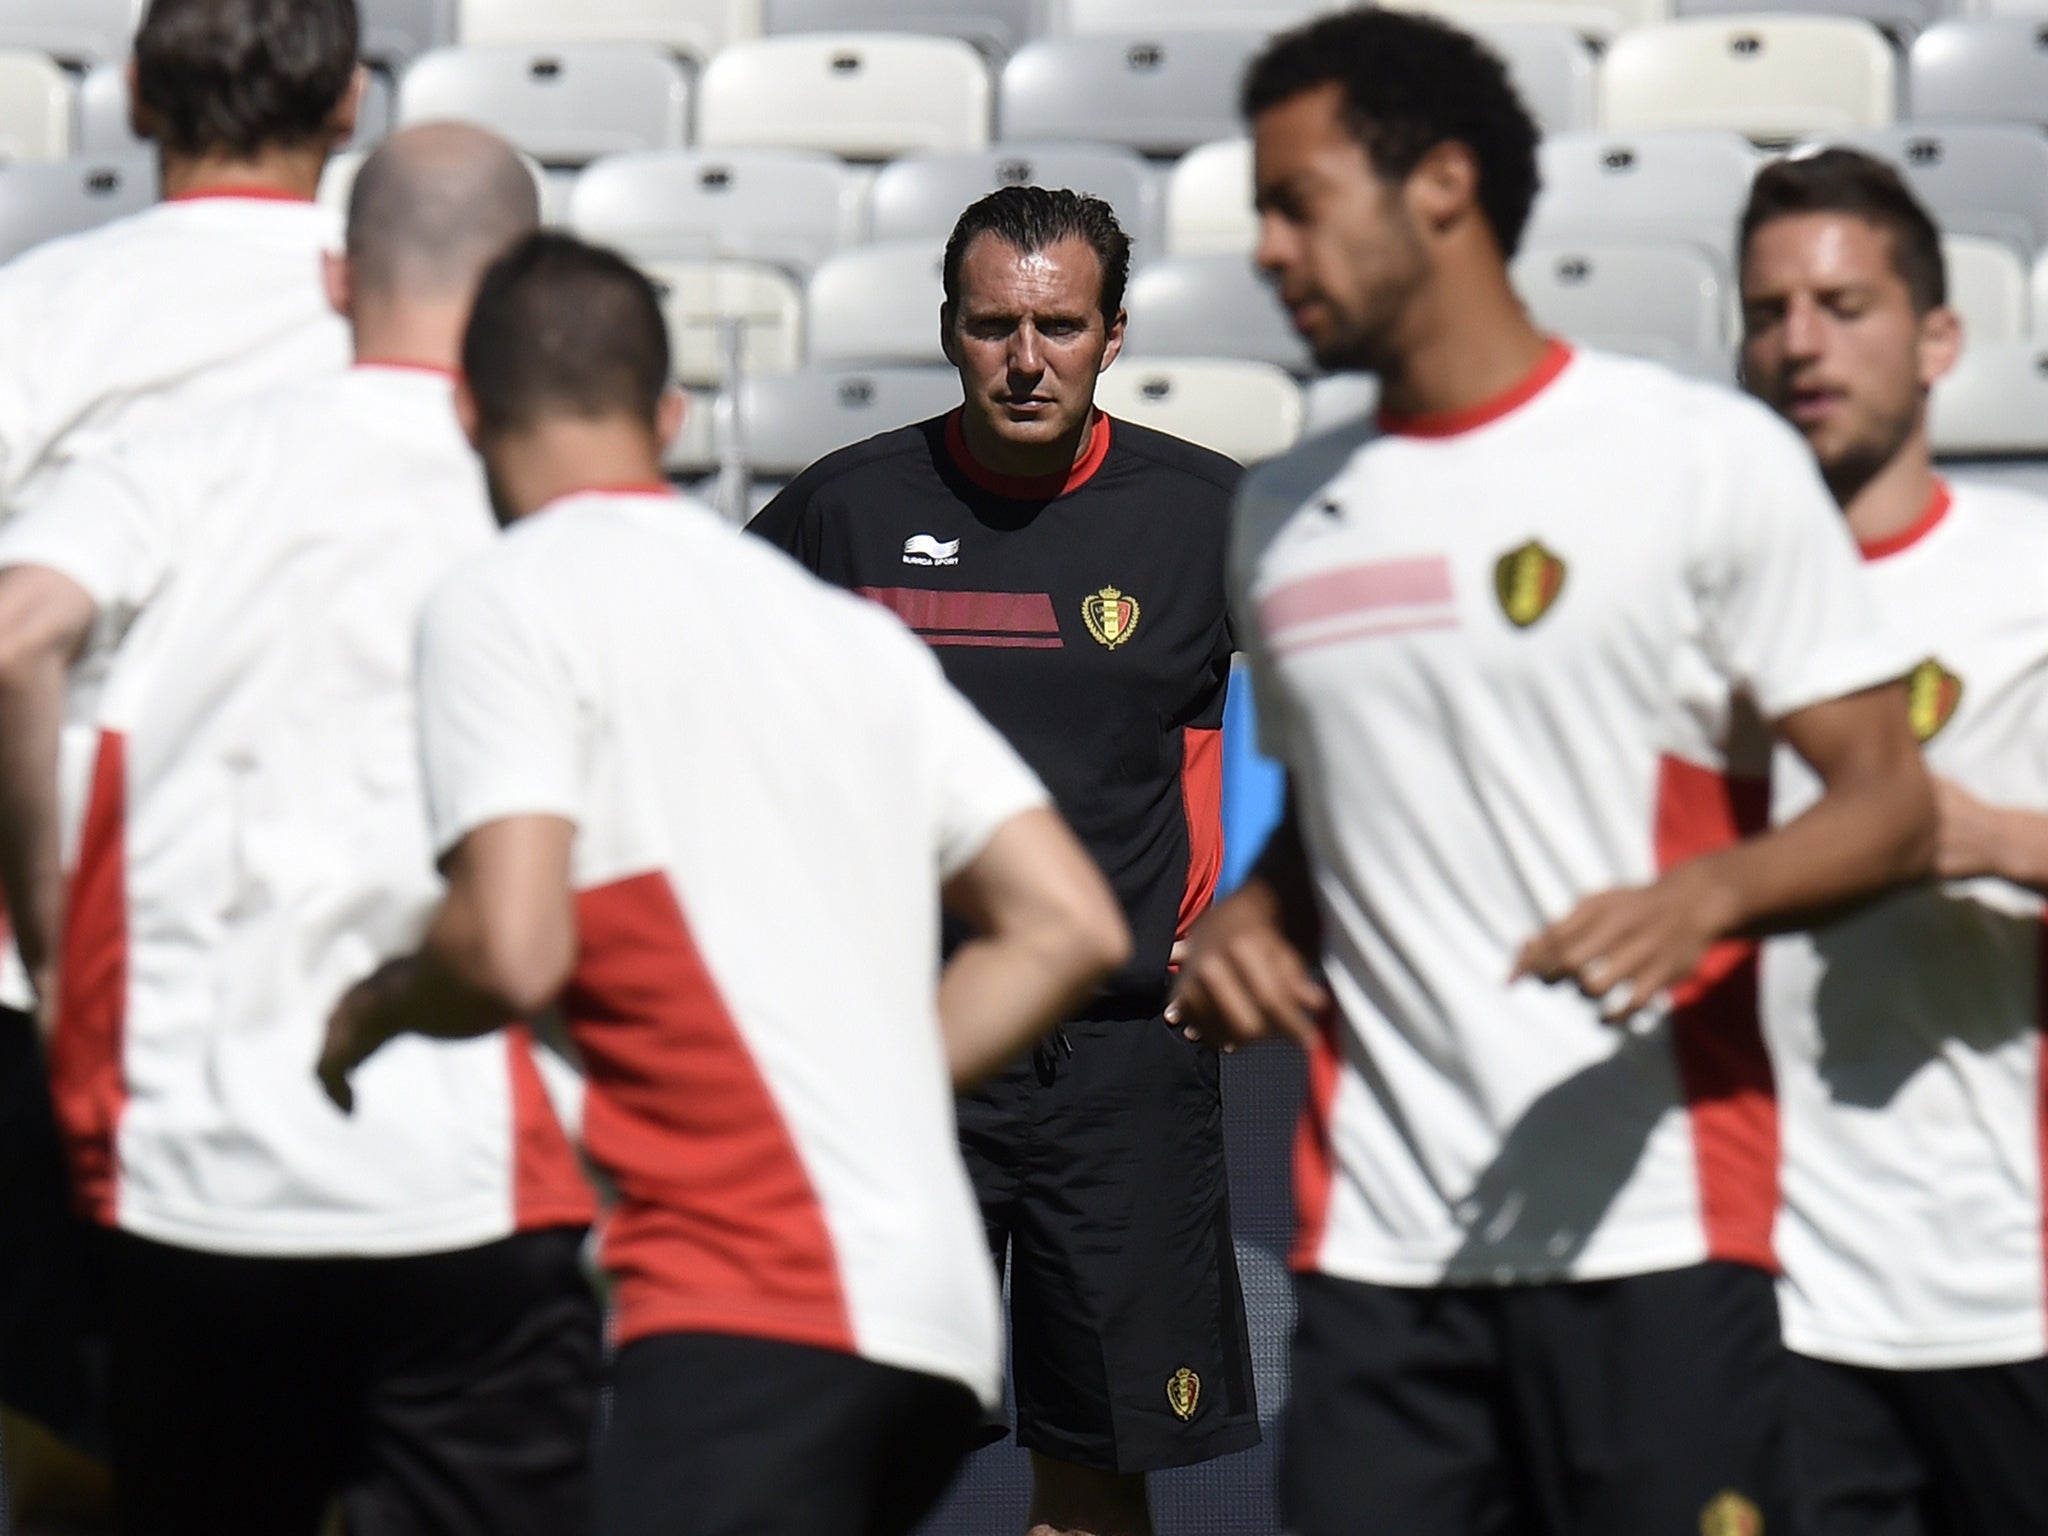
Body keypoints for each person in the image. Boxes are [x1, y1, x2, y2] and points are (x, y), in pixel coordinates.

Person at [1169, 11, 1939, 1536]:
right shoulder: (1281, 516)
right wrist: (1259, 914)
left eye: (1297, 200)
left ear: (1441, 185)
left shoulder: (1696, 459)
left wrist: (1705, 892)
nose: (1265, 248)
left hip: (1654, 1231)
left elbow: (1889, 805)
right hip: (1381, 1257)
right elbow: (1349, 819)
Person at [315, 231, 1133, 1536]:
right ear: (667, 414)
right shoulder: (832, 627)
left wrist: (373, 1011)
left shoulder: (508, 595)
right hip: (924, 1313)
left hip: (753, 1295)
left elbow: (511, 948)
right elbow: (1070, 921)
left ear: (469, 408)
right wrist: (859, 1100)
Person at [0, 125, 597, 1536]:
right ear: (521, 286)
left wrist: (44, 924)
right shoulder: (553, 496)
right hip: (476, 1182)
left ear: (337, 277)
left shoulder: (191, 462)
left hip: (208, 1171)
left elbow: (21, 632)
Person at [749, 186, 1259, 1536]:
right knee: (839, 1457)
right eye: (993, 327)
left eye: (1058, 326)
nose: (1024, 359)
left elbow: (1353, 712)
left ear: (1114, 333)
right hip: (902, 1057)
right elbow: (711, 704)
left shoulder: (1207, 517)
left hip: (1120, 1070)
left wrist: (1261, 906)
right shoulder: (842, 514)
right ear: (948, 331)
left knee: (1091, 1484)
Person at [0, 0, 360, 1495]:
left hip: (61, 957)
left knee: (74, 1437)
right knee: (325, 1451)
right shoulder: (400, 322)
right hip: (337, 956)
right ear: (347, 107)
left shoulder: (35, 308)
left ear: (139, 94)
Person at [1738, 147, 2048, 1536]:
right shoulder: (1698, 602)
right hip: (1782, 1290)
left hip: (2011, 1279)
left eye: (1844, 305)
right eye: (1768, 309)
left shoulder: (2028, 574)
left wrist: (1984, 834)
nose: (1801, 341)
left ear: (1938, 340)